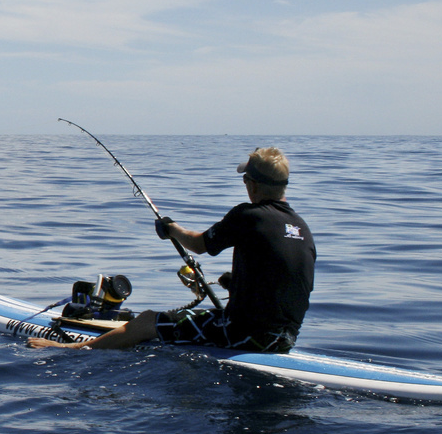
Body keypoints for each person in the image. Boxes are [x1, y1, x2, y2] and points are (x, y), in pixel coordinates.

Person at [28, 147, 315, 353]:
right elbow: (284, 282)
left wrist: (170, 229)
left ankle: (74, 349)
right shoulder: (301, 228)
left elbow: (200, 245)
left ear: (253, 185)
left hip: (245, 336)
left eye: (245, 181)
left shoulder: (249, 215)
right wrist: (234, 283)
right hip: (285, 340)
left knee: (147, 320)